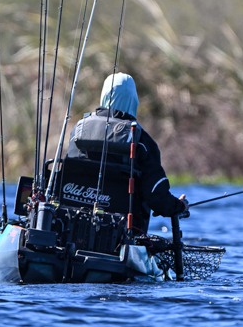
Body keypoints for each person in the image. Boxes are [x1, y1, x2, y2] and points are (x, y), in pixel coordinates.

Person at [66, 72, 189, 228]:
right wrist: (179, 206)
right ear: (134, 101)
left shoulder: (78, 130)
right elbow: (157, 198)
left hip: (72, 224)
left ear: (104, 96)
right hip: (124, 230)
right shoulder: (143, 141)